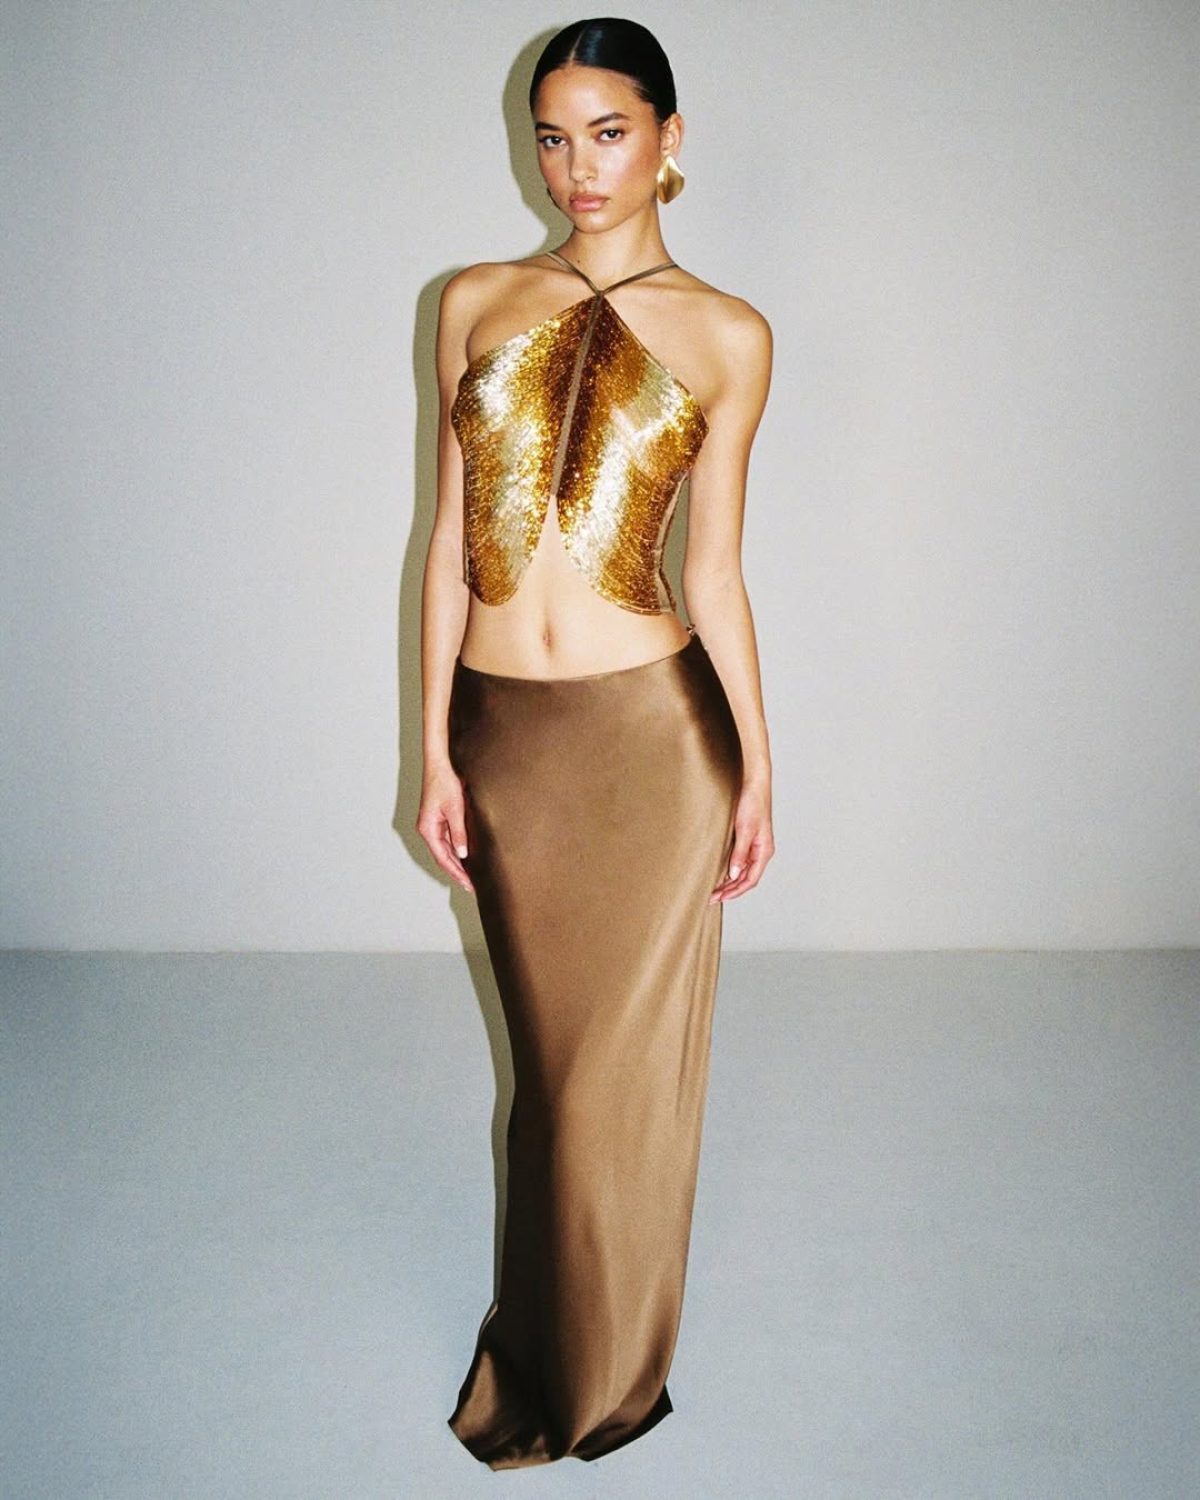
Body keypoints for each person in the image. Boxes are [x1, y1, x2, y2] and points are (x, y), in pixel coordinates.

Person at [416, 16, 774, 1469]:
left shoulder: (728, 334)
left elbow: (717, 573)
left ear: (669, 141)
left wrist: (757, 766)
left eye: (609, 133)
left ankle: (608, 1370)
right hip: (506, 736)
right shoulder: (474, 301)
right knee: (552, 1082)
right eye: (554, 137)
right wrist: (432, 750)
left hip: (652, 745)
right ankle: (552, 1346)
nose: (578, 166)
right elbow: (447, 547)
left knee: (610, 1086)